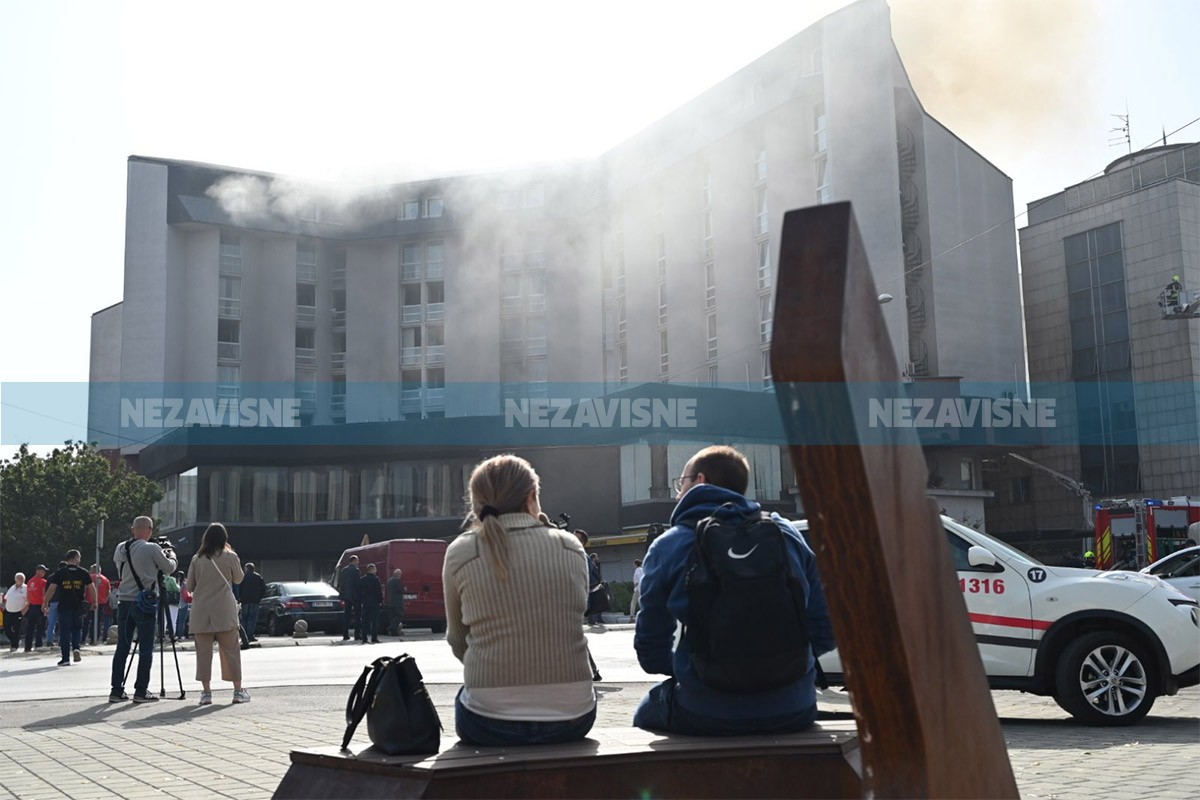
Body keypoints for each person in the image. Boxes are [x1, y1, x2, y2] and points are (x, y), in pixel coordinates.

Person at [633, 445, 835, 736]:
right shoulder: (786, 534)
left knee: (645, 711)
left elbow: (651, 650)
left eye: (681, 483)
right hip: (794, 708)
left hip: (707, 711)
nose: (678, 494)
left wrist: (691, 669)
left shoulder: (670, 544)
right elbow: (826, 628)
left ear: (699, 480)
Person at [443, 454, 597, 746]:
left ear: (477, 503)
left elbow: (458, 642)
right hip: (574, 715)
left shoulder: (461, 551)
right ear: (531, 497)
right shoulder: (570, 547)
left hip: (488, 719)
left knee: (464, 699)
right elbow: (573, 617)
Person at [111, 516, 177, 703]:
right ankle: (141, 690)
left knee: (122, 646)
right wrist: (171, 555)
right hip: (144, 603)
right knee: (146, 647)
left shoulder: (121, 548)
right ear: (150, 529)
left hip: (124, 601)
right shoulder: (152, 548)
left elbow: (120, 572)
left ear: (133, 529)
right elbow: (168, 569)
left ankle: (116, 690)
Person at [186, 522, 249, 705]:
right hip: (224, 610)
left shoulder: (197, 559)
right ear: (224, 538)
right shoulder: (231, 556)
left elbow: (190, 586)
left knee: (203, 654)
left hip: (201, 612)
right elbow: (238, 579)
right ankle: (237, 691)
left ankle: (206, 693)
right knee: (231, 652)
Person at [43, 550, 96, 666]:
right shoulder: (83, 572)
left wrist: (45, 602)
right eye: (79, 557)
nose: (80, 559)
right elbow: (92, 588)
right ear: (75, 558)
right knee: (77, 628)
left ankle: (65, 658)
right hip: (79, 606)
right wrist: (95, 601)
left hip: (64, 606)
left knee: (65, 632)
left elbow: (52, 589)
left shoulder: (60, 573)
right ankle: (76, 648)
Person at [22, 565, 47, 652]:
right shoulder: (43, 582)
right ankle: (38, 644)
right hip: (40, 606)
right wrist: (45, 606)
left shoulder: (30, 581)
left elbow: (28, 596)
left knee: (30, 627)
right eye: (43, 571)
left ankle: (27, 646)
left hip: (32, 606)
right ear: (38, 571)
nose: (44, 573)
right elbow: (44, 595)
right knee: (40, 627)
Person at [239, 563, 266, 642]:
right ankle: (250, 635)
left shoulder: (243, 577)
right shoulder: (258, 577)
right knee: (252, 618)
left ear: (247, 569)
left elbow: (239, 587)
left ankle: (244, 636)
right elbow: (263, 588)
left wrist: (240, 597)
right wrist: (260, 597)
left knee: (244, 618)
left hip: (245, 601)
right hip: (254, 600)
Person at [357, 564, 383, 644]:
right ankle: (374, 638)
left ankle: (364, 638)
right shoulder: (376, 579)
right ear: (371, 570)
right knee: (374, 621)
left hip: (365, 602)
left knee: (365, 621)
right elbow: (379, 592)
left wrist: (361, 600)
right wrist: (380, 601)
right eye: (375, 569)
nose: (376, 571)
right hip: (374, 602)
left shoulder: (362, 580)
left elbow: (359, 592)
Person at [87, 565, 112, 645]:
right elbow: (108, 592)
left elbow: (84, 589)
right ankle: (96, 638)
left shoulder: (89, 577)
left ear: (93, 569)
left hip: (89, 602)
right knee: (97, 621)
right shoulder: (105, 579)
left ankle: (85, 638)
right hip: (101, 603)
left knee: (86, 621)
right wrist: (105, 600)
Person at [337, 555, 360, 642]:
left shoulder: (343, 570)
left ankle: (345, 635)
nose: (358, 562)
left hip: (346, 596)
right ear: (354, 561)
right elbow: (357, 584)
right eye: (357, 561)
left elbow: (340, 584)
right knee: (358, 616)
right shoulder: (356, 570)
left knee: (347, 615)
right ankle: (357, 635)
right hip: (355, 596)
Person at [4, 573, 28, 652]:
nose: (20, 580)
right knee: (7, 630)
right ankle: (14, 641)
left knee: (17, 630)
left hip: (18, 612)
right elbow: (6, 598)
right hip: (8, 611)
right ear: (15, 579)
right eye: (19, 578)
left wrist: (24, 610)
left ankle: (14, 646)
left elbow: (29, 601)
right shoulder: (12, 587)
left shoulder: (25, 588)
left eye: (22, 578)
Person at [386, 568, 406, 636]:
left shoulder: (389, 580)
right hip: (397, 602)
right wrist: (404, 589)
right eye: (400, 574)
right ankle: (391, 628)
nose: (400, 576)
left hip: (391, 601)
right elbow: (400, 590)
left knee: (392, 617)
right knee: (399, 615)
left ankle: (394, 632)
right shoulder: (397, 581)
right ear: (398, 574)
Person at [176, 572, 192, 639]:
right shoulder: (185, 584)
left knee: (177, 621)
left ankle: (177, 634)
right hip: (184, 603)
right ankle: (181, 635)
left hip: (176, 604)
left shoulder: (175, 583)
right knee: (182, 621)